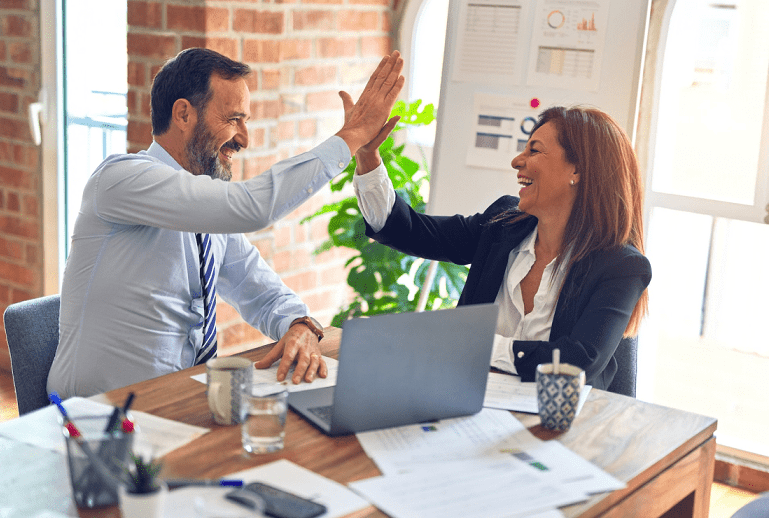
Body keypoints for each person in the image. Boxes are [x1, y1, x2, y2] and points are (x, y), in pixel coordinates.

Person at [48, 47, 404, 398]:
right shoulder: (121, 180)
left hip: (179, 403)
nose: (244, 139)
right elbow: (253, 207)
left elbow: (259, 289)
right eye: (234, 119)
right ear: (184, 115)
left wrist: (299, 324)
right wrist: (352, 136)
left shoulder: (205, 211)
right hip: (97, 419)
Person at [352, 106, 651, 390]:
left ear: (577, 170)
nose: (517, 161)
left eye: (534, 150)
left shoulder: (621, 266)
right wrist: (368, 157)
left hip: (562, 427)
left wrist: (476, 344)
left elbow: (577, 362)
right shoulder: (503, 225)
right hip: (469, 404)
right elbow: (413, 232)